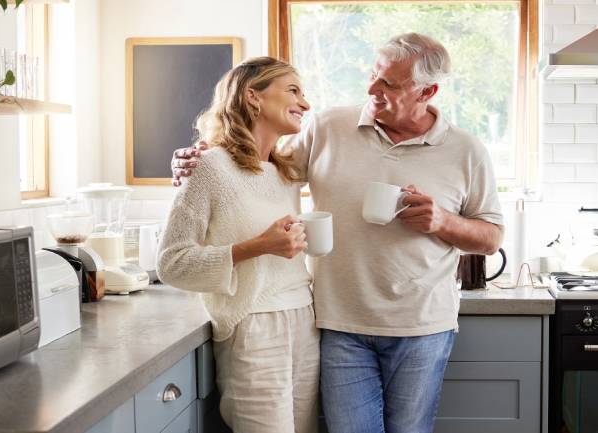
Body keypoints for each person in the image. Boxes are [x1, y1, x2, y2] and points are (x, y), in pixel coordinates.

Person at [172, 33, 504, 433]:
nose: (371, 89)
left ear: (427, 91)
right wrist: (197, 157)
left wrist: (443, 221)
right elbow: (260, 168)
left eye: (389, 84)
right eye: (373, 76)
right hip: (337, 323)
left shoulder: (465, 150)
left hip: (422, 325)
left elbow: (491, 238)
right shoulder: (328, 126)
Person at [156, 56, 320, 433]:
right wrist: (258, 246)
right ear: (254, 96)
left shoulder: (287, 171)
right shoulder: (210, 167)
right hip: (253, 326)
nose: (305, 103)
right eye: (293, 91)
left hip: (303, 320)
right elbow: (172, 263)